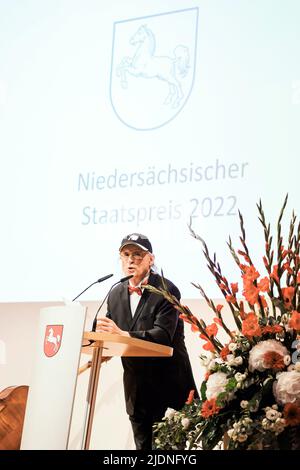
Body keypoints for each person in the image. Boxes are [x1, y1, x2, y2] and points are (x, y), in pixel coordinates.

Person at [97, 233, 198, 450]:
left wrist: (123, 335)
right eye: (125, 255)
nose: (131, 260)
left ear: (150, 259)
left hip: (168, 390)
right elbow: (111, 331)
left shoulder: (166, 290)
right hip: (137, 392)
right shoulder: (115, 292)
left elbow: (162, 337)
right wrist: (102, 341)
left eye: (137, 254)